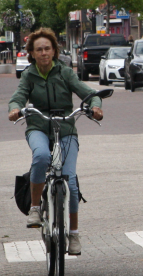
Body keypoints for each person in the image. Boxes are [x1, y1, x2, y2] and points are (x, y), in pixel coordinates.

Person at [8, 27, 102, 255]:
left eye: (47, 49)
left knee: (70, 182)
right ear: (32, 53)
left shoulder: (65, 73)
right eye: (39, 49)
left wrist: (95, 106)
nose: (44, 53)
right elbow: (18, 96)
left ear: (54, 51)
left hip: (66, 128)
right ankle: (35, 208)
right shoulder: (29, 75)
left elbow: (88, 93)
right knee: (41, 156)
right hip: (38, 126)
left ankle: (74, 234)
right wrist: (15, 109)